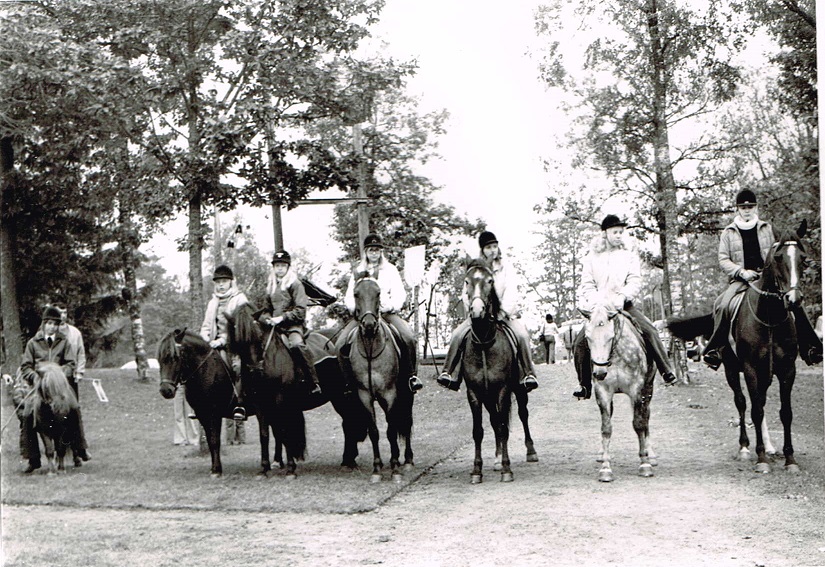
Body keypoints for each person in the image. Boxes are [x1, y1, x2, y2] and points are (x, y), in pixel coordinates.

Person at [702, 189, 823, 368]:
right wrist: (741, 272)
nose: (747, 210)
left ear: (756, 207)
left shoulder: (768, 228)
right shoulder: (728, 232)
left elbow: (779, 253)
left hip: (768, 279)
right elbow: (723, 260)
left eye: (750, 206)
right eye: (743, 207)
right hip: (741, 279)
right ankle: (715, 349)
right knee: (723, 304)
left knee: (796, 303)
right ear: (737, 209)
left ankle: (810, 347)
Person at [573, 215, 677, 399]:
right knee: (580, 342)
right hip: (599, 309)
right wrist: (597, 302)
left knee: (650, 330)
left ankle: (666, 370)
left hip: (624, 306)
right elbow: (587, 284)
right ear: (605, 233)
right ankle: (584, 385)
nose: (619, 235)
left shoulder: (628, 255)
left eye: (621, 232)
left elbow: (635, 280)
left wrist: (623, 296)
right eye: (615, 232)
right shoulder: (591, 258)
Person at [437, 231, 539, 392]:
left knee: (522, 335)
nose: (493, 250)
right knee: (457, 334)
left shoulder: (506, 267)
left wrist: (503, 312)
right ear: (482, 250)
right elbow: (466, 292)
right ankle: (449, 374)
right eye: (489, 247)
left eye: (495, 246)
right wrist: (473, 308)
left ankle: (528, 374)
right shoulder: (476, 268)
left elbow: (512, 291)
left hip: (502, 315)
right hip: (478, 315)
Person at [336, 234, 423, 394]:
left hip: (385, 313)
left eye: (376, 250)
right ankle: (347, 383)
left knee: (408, 337)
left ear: (381, 252)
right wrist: (355, 309)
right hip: (363, 316)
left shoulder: (390, 269)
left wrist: (389, 306)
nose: (374, 253)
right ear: (366, 252)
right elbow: (349, 296)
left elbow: (400, 294)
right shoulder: (358, 271)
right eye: (371, 250)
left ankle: (411, 376)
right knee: (341, 343)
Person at [18, 305, 79, 473]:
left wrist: (58, 375)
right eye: (49, 323)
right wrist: (36, 377)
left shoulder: (64, 342)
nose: (52, 326)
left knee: (74, 408)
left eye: (55, 324)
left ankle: (79, 449)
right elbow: (26, 366)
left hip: (59, 386)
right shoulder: (33, 343)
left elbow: (70, 363)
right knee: (28, 415)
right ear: (44, 324)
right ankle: (32, 457)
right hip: (39, 386)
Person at [257, 250, 322, 397]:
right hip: (274, 326)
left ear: (288, 267)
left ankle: (313, 381)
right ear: (273, 268)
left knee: (297, 345)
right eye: (277, 266)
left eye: (283, 266)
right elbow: (266, 308)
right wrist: (266, 318)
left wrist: (282, 318)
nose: (279, 268)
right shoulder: (271, 285)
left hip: (293, 325)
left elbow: (300, 310)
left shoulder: (296, 284)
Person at [200, 264, 250, 421]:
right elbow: (206, 325)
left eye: (224, 281)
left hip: (236, 344)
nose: (221, 285)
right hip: (214, 344)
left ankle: (239, 403)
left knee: (237, 367)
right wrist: (204, 339)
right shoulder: (212, 302)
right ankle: (206, 403)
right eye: (218, 282)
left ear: (231, 282)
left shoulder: (240, 299)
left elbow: (241, 327)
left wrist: (222, 340)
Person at [54, 303, 90, 463]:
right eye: (59, 313)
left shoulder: (75, 333)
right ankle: (57, 452)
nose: (63, 316)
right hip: (53, 380)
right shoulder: (48, 332)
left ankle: (79, 450)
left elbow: (81, 353)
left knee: (74, 411)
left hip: (71, 378)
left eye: (65, 312)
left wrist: (80, 372)